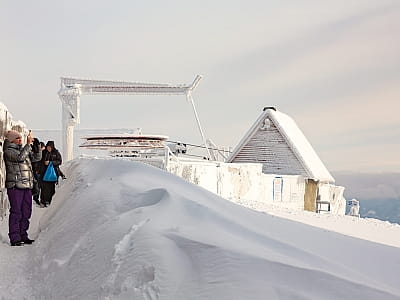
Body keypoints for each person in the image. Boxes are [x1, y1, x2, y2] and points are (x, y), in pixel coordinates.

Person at [3, 130, 42, 246]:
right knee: (16, 212)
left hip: (27, 186)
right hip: (15, 185)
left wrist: (37, 146)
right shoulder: (8, 151)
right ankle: (15, 238)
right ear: (11, 140)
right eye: (18, 138)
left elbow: (36, 158)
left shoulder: (22, 149)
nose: (20, 140)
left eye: (21, 138)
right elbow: (20, 158)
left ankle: (23, 235)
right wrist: (28, 145)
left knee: (26, 211)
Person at [40, 141, 62, 207]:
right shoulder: (44, 152)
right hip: (44, 173)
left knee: (51, 187)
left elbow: (59, 161)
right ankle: (43, 201)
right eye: (48, 147)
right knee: (44, 187)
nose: (48, 148)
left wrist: (51, 163)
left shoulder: (56, 153)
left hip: (53, 173)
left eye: (50, 147)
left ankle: (49, 201)